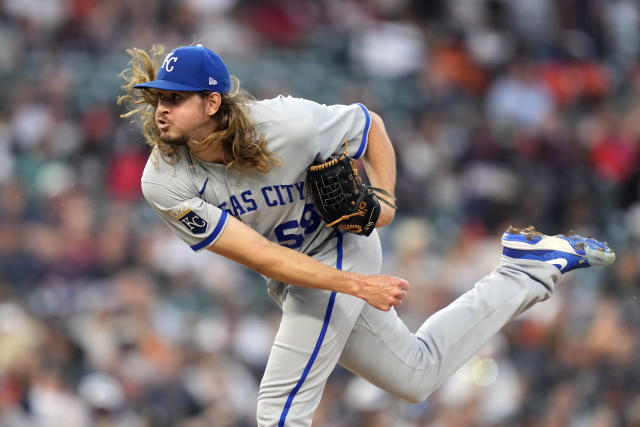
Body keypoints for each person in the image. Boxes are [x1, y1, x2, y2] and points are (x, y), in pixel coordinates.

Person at [118, 44, 615, 427]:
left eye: (176, 98)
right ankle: (525, 270)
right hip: (304, 272)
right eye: (159, 97)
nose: (161, 109)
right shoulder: (163, 180)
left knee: (279, 407)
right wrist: (355, 287)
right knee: (415, 375)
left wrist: (387, 202)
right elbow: (263, 257)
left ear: (212, 102)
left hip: (341, 246)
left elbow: (368, 125)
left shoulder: (286, 124)